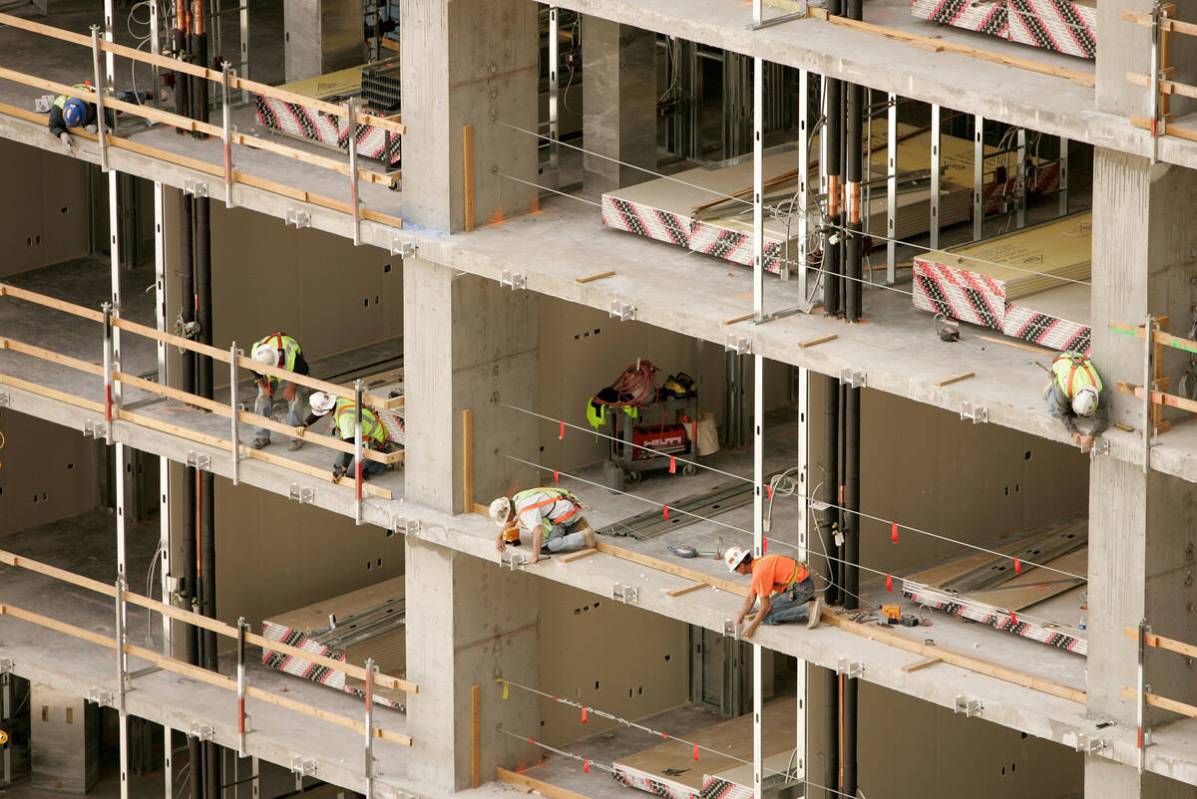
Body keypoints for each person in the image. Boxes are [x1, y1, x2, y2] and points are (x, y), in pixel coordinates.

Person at [726, 547, 821, 638]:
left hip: (801, 589)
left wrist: (752, 627)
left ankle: (808, 610)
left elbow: (765, 607)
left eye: (735, 569)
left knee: (767, 617)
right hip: (802, 585)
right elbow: (751, 598)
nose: (736, 571)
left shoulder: (759, 573)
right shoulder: (759, 564)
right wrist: (739, 617)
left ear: (741, 565)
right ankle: (806, 600)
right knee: (758, 609)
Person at [303, 391, 397, 482]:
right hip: (360, 436)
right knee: (337, 466)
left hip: (375, 441)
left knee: (351, 474)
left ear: (328, 411)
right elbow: (320, 411)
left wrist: (344, 468)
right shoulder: (335, 400)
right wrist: (305, 424)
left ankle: (381, 463)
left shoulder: (345, 419)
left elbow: (350, 445)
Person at [490, 487, 595, 564]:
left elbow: (538, 531)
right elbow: (512, 521)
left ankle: (583, 537)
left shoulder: (525, 512)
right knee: (544, 536)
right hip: (565, 505)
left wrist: (535, 555)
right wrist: (499, 538)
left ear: (509, 513)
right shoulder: (517, 499)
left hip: (565, 515)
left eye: (505, 518)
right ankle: (577, 527)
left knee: (546, 546)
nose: (507, 521)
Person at [249, 333, 310, 451]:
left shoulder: (291, 358)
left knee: (295, 398)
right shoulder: (256, 354)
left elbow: (304, 370)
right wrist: (264, 385)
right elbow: (254, 370)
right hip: (269, 372)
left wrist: (292, 386)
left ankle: (296, 436)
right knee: (262, 398)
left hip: (293, 372)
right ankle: (261, 436)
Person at [47, 82, 147, 152]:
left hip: (98, 97)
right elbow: (53, 125)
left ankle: (146, 95)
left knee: (121, 101)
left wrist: (95, 124)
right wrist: (62, 134)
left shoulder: (91, 103)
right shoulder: (59, 105)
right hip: (82, 99)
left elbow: (102, 114)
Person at [1044, 351, 1109, 453]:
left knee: (1072, 413)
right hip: (1062, 361)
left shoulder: (1099, 391)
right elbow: (1063, 414)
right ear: (1074, 397)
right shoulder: (1065, 390)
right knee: (1056, 411)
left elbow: (1104, 420)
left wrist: (1091, 435)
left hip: (1078, 359)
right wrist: (1073, 432)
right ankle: (1051, 390)